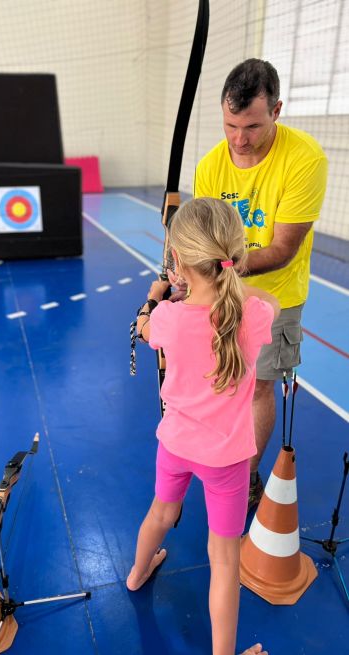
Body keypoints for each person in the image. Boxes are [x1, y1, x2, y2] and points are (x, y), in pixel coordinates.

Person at [127, 197, 279, 655]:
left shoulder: (169, 318)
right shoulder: (252, 315)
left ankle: (136, 574)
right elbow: (270, 301)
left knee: (160, 513)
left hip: (174, 445)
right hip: (227, 459)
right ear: (233, 257)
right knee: (224, 559)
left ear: (176, 260)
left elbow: (143, 327)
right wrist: (225, 283)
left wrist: (156, 296)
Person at [194, 59, 328, 510]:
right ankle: (222, 454)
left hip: (277, 297)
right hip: (224, 289)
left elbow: (283, 249)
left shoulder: (304, 159)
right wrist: (191, 266)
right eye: (230, 125)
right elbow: (205, 233)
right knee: (219, 381)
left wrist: (218, 266)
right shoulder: (211, 165)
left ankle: (244, 474)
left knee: (259, 388)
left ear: (276, 110)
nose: (239, 139)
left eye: (251, 126)